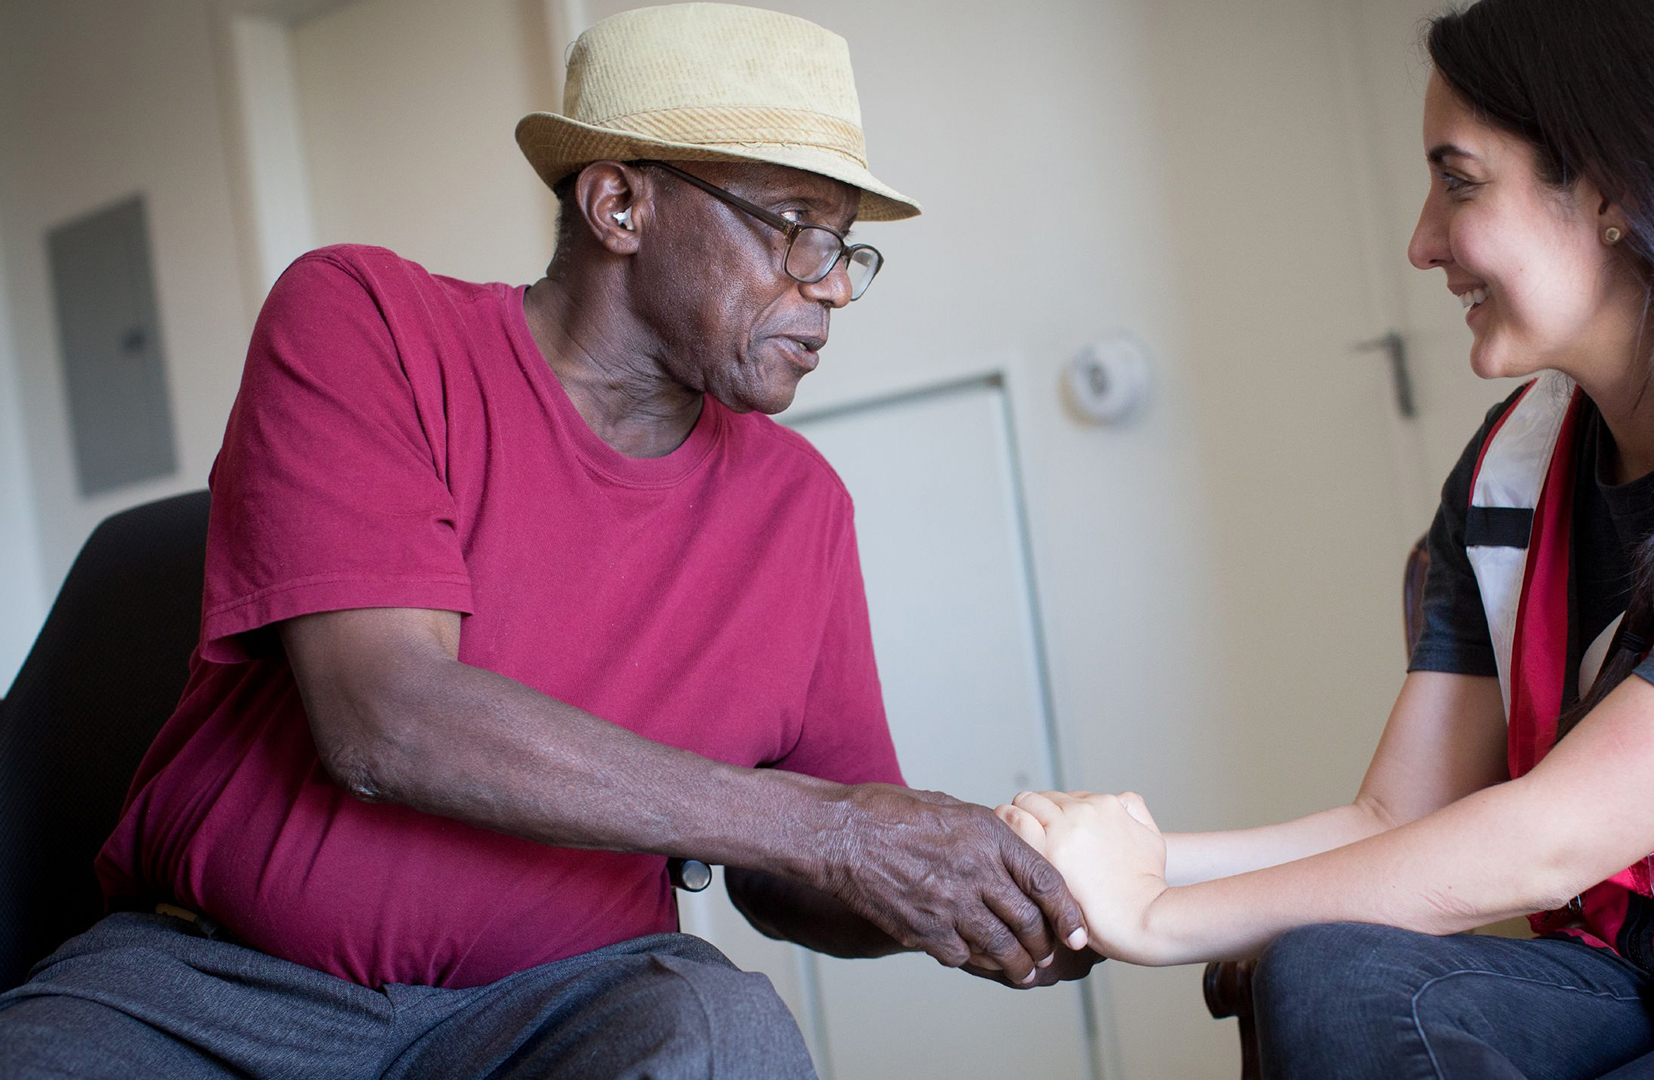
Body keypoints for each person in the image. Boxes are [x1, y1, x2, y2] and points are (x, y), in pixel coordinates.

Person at [0, 6, 1091, 1079]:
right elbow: (387, 720)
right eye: (796, 228)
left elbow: (793, 879)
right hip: (224, 994)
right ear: (620, 204)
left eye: (845, 246)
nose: (834, 288)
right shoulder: (363, 321)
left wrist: (973, 901)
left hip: (558, 1011)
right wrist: (845, 833)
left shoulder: (803, 509)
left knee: (721, 1027)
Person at [1001, 0, 1654, 1076]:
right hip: (1643, 976)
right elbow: (1394, 815)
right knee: (1329, 973)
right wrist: (1117, 869)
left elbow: (1549, 840)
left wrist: (1152, 920)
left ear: (1616, 190)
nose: (1423, 241)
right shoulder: (1509, 468)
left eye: (1460, 181)